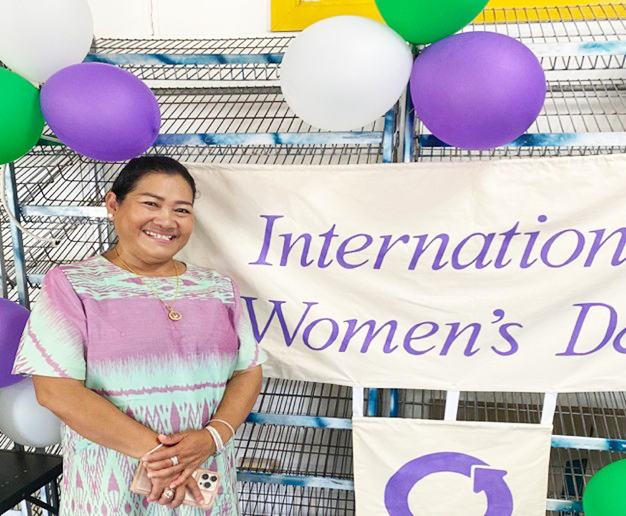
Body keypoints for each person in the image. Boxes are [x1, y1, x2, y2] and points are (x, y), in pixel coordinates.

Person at [12, 156, 267, 514]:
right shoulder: (72, 285)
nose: (166, 220)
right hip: (111, 491)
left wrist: (214, 436)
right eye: (151, 203)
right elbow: (57, 391)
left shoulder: (219, 288)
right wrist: (163, 456)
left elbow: (248, 370)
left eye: (182, 209)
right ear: (113, 204)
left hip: (203, 481)